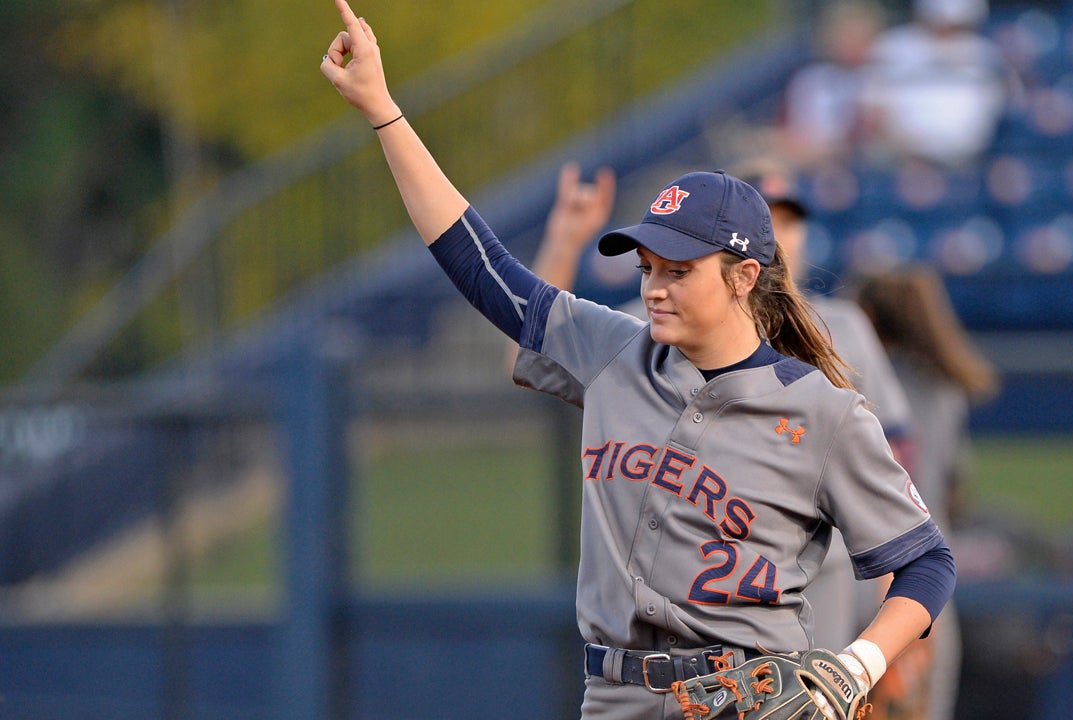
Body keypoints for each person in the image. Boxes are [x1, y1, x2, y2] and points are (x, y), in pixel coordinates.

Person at [321, 4, 956, 718]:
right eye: (648, 267)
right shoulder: (614, 348)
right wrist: (383, 111)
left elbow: (927, 561)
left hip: (748, 700)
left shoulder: (821, 411)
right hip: (615, 698)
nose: (654, 287)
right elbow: (480, 265)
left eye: (679, 271)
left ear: (744, 277)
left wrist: (857, 665)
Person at [521, 156, 919, 657]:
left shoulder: (841, 326)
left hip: (824, 571)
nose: (783, 232)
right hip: (680, 580)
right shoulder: (649, 330)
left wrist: (886, 635)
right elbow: (536, 346)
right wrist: (563, 242)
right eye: (771, 217)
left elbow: (896, 456)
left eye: (791, 219)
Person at [856, 265, 1001, 720]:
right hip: (932, 587)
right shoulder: (945, 389)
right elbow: (959, 490)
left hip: (865, 580)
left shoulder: (852, 383)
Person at [860, 0, 1019, 170]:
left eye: (957, 25)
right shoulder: (893, 47)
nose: (948, 30)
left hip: (967, 162)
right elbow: (872, 110)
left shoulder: (985, 53)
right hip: (901, 160)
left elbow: (1004, 108)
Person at [775, 0, 888, 169]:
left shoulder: (883, 80)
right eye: (845, 34)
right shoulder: (810, 80)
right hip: (814, 165)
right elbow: (792, 135)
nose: (850, 43)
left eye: (858, 35)